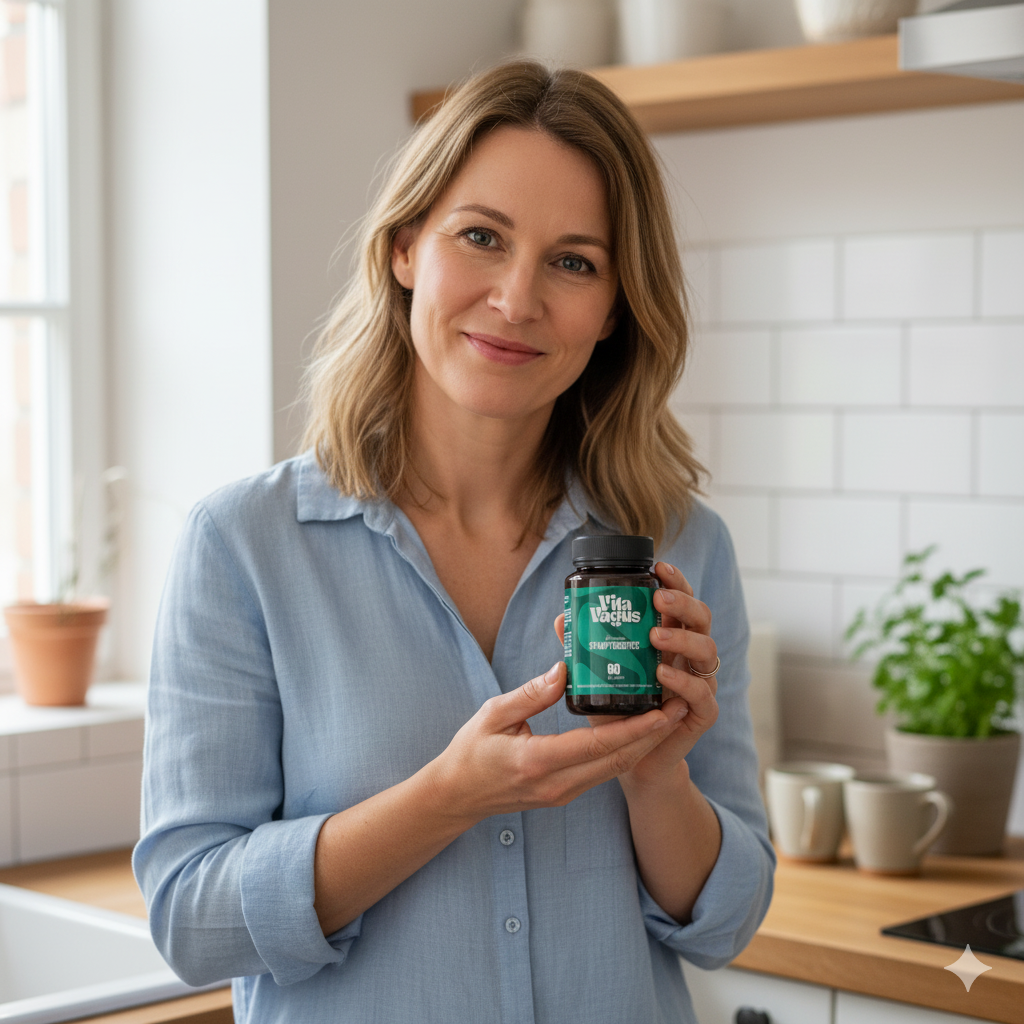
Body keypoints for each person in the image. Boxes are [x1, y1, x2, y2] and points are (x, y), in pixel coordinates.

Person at [134, 59, 774, 1024]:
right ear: (404, 250)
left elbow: (725, 922)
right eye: (481, 237)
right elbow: (190, 919)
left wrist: (655, 771)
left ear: (613, 310)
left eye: (574, 261)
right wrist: (446, 798)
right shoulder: (245, 548)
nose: (517, 300)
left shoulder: (678, 546)